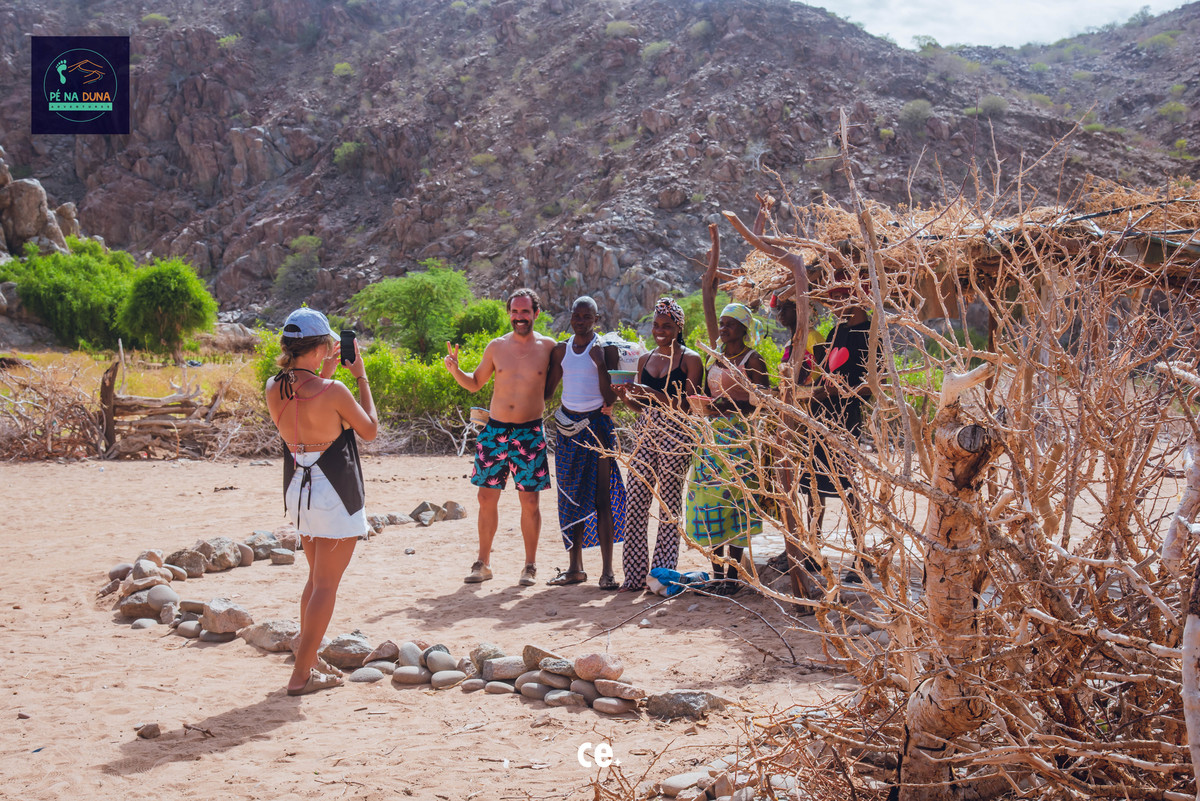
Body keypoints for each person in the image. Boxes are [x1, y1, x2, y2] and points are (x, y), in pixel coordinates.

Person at [265, 308, 378, 696]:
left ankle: (309, 660)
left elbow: (306, 398)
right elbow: (370, 430)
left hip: (299, 487)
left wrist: (325, 370)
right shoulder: (335, 391)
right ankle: (300, 674)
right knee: (326, 585)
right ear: (319, 347)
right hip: (332, 491)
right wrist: (361, 377)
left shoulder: (274, 386)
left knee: (316, 580)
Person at [445, 288, 557, 586]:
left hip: (529, 432)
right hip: (495, 431)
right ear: (509, 313)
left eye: (525, 311)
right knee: (485, 498)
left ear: (536, 313)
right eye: (515, 311)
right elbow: (475, 383)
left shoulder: (549, 347)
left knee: (530, 501)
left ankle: (530, 566)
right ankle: (482, 563)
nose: (519, 317)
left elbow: (568, 375)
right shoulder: (496, 347)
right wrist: (455, 370)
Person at [685, 224, 771, 595]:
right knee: (709, 500)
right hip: (710, 437)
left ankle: (733, 576)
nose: (723, 329)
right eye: (721, 324)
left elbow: (762, 401)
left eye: (730, 325)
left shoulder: (754, 360)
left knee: (735, 500)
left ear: (743, 329)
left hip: (738, 439)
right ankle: (717, 571)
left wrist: (728, 405)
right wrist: (703, 403)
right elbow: (708, 391)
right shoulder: (715, 357)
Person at [612, 296, 703, 592]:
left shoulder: (690, 360)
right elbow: (641, 406)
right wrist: (626, 396)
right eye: (656, 325)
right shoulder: (645, 359)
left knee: (668, 507)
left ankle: (662, 577)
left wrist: (649, 392)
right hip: (645, 433)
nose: (660, 330)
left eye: (667, 325)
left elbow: (687, 406)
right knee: (635, 503)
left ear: (679, 327)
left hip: (677, 435)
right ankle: (635, 577)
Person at [543, 296, 627, 589]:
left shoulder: (605, 350)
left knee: (602, 498)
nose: (580, 321)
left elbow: (610, 397)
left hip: (597, 427)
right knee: (570, 497)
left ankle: (608, 572)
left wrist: (601, 363)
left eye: (586, 317)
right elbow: (548, 391)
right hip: (567, 429)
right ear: (571, 317)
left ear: (596, 320)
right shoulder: (561, 350)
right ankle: (574, 568)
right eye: (576, 316)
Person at [802, 242, 874, 582]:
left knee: (848, 489)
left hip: (846, 419)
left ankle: (861, 557)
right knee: (814, 485)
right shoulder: (836, 330)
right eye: (833, 297)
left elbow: (873, 384)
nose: (835, 302)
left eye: (841, 295)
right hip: (822, 416)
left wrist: (842, 391)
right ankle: (813, 552)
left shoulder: (870, 332)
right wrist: (819, 390)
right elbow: (826, 372)